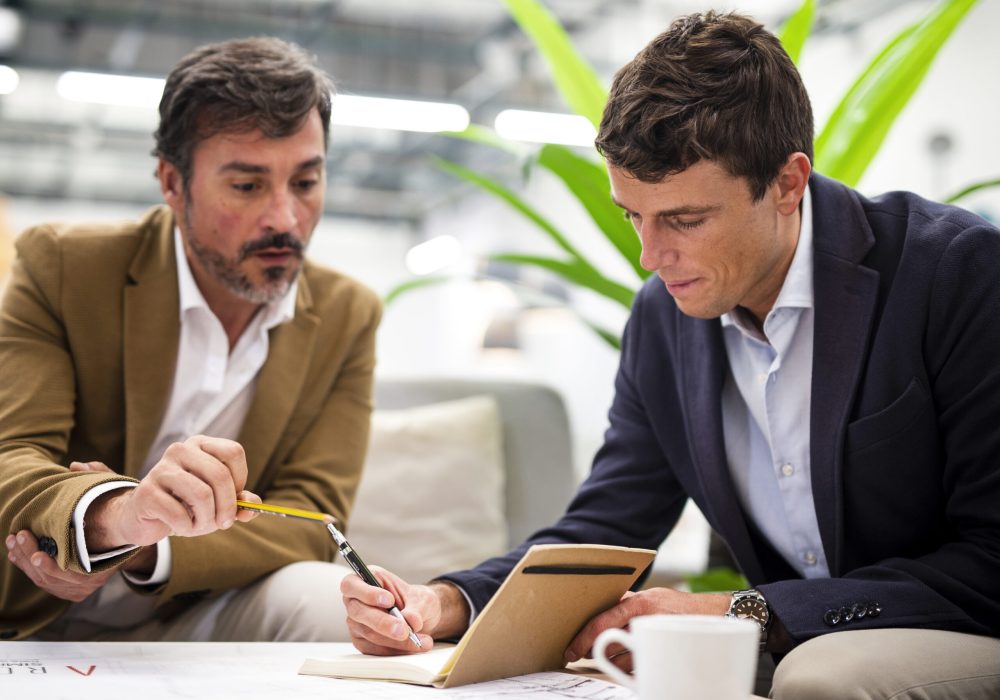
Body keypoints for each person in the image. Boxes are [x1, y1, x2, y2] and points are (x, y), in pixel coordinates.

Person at [340, 11, 1000, 699]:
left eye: (684, 220)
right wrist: (446, 602)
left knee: (821, 679)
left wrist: (744, 611)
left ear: (786, 183)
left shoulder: (954, 272)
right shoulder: (666, 316)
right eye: (634, 216)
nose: (652, 258)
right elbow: (608, 522)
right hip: (799, 637)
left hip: (962, 623)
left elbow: (993, 555)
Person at [0, 36, 381, 642]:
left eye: (305, 182)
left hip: (196, 609)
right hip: (35, 604)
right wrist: (112, 517)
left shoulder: (348, 314)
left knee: (325, 600)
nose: (285, 218)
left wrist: (144, 544)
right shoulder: (63, 268)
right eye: (248, 186)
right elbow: (12, 453)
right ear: (172, 184)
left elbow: (315, 513)